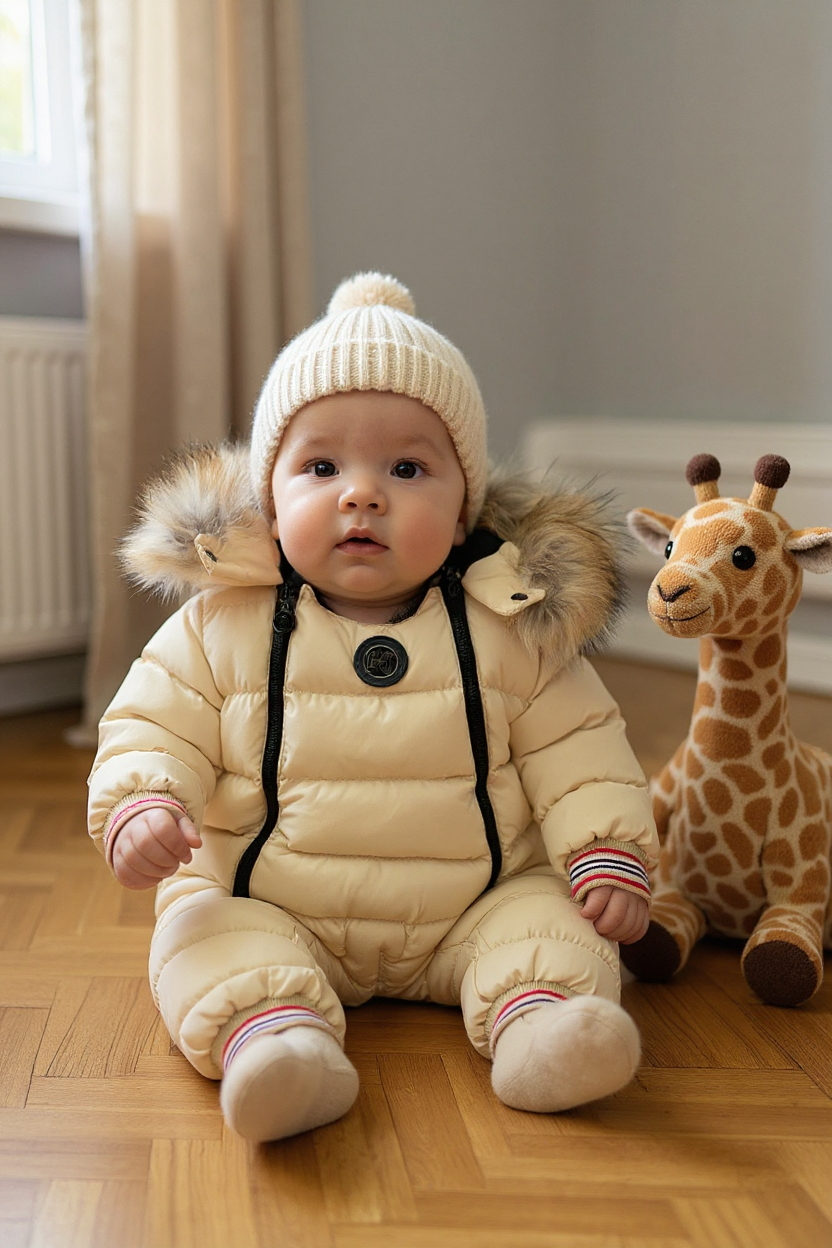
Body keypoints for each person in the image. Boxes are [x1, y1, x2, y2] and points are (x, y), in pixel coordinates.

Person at [88, 272, 658, 1142]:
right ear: (269, 499)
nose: (363, 493)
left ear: (464, 505)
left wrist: (607, 852)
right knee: (201, 930)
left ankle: (541, 1025)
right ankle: (276, 1042)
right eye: (321, 466)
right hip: (271, 900)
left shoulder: (507, 621)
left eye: (407, 467)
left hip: (475, 901)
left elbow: (581, 747)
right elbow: (152, 721)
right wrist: (141, 803)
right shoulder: (220, 625)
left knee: (552, 921)